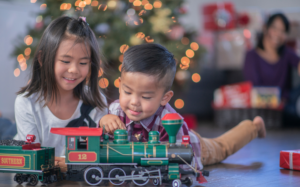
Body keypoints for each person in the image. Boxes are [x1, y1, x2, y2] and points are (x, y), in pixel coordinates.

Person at [100, 43, 266, 169]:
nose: (134, 102)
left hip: (195, 146)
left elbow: (187, 163)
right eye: (127, 92)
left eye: (146, 96)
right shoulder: (114, 111)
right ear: (120, 85)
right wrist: (103, 121)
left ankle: (253, 127)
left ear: (165, 98)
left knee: (222, 147)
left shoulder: (170, 121)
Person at [14, 16, 108, 170]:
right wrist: (69, 165)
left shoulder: (97, 102)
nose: (74, 70)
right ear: (43, 59)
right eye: (65, 61)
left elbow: (97, 154)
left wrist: (69, 165)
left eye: (83, 63)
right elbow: (32, 158)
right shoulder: (26, 102)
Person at [243, 13, 300, 99]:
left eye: (283, 31)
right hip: (262, 108)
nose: (278, 34)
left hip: (285, 107)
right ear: (265, 28)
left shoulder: (287, 53)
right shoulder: (252, 56)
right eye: (275, 28)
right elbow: (254, 89)